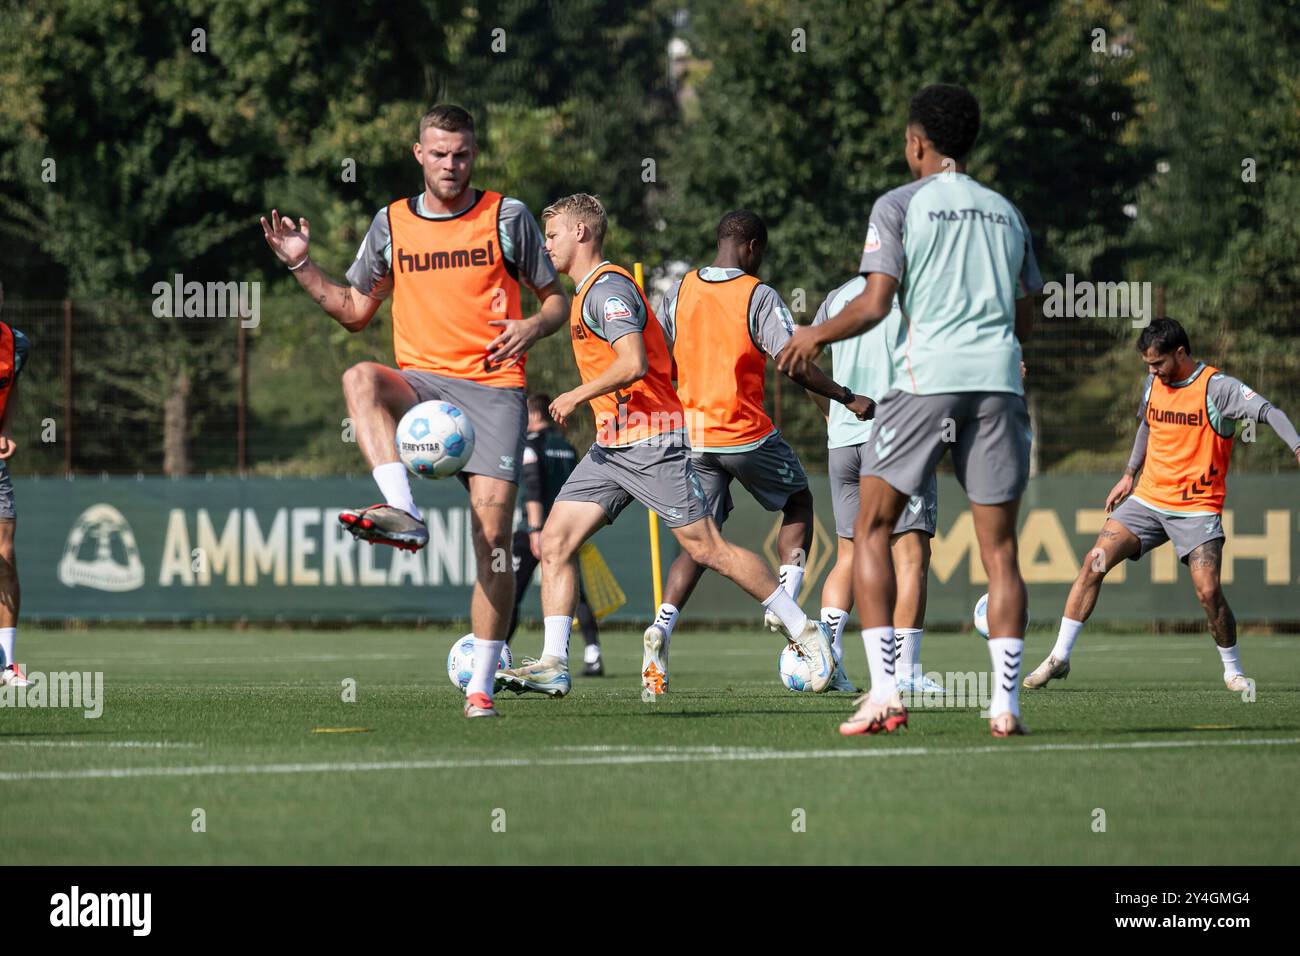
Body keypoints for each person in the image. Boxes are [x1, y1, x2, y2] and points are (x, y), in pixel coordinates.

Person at [261, 104, 568, 719]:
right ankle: (403, 510)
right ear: (418, 154)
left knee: (493, 545)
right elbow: (354, 311)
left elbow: (556, 299)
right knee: (360, 378)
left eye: (461, 154)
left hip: (493, 393)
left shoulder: (507, 217)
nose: (450, 164)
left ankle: (482, 684)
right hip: (422, 389)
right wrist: (300, 264)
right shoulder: (391, 223)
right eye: (439, 153)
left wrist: (533, 325)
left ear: (472, 155)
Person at [497, 194, 836, 700]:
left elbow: (633, 362)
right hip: (613, 445)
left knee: (707, 548)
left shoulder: (607, 290)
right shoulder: (586, 291)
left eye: (553, 234)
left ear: (582, 234)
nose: (546, 245)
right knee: (554, 542)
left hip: (651, 439)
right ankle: (552, 663)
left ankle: (804, 631)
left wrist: (576, 393)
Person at [780, 84, 1042, 737]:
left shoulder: (900, 204)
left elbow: (874, 304)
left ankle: (884, 693)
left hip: (926, 381)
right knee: (1002, 551)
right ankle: (1005, 705)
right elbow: (1030, 309)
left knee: (869, 532)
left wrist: (814, 336)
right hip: (998, 381)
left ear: (918, 142)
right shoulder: (1007, 211)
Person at [644, 211, 874, 694]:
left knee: (701, 540)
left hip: (692, 437)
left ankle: (662, 626)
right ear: (750, 246)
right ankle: (787, 606)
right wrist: (845, 396)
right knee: (800, 501)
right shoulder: (757, 293)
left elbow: (652, 356)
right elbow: (793, 363)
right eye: (760, 252)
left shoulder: (681, 290)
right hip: (745, 433)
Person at [1025, 317, 1300, 693]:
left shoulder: (1217, 388)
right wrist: (1128, 474)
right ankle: (1059, 657)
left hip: (1198, 507)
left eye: (1158, 363)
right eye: (1148, 366)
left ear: (1181, 353)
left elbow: (1271, 413)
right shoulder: (1154, 383)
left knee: (1207, 592)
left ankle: (1232, 670)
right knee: (1094, 562)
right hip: (1148, 499)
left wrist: (1297, 446)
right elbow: (1146, 425)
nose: (1153, 371)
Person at [807, 276, 942, 695]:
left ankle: (826, 663)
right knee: (910, 554)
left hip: (843, 443)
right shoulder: (919, 292)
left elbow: (800, 360)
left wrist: (833, 414)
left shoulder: (836, 297)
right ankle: (905, 672)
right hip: (897, 439)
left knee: (849, 552)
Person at [507, 393, 602, 675]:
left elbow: (534, 489)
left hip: (534, 532)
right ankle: (593, 655)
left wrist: (535, 529)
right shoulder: (567, 447)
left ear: (534, 416)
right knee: (576, 594)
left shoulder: (530, 446)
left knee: (510, 591)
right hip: (568, 526)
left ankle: (497, 650)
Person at [0, 281, 30, 689]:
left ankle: (7, 665)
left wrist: (5, 429)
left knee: (5, 552)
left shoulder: (16, 343)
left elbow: (12, 390)